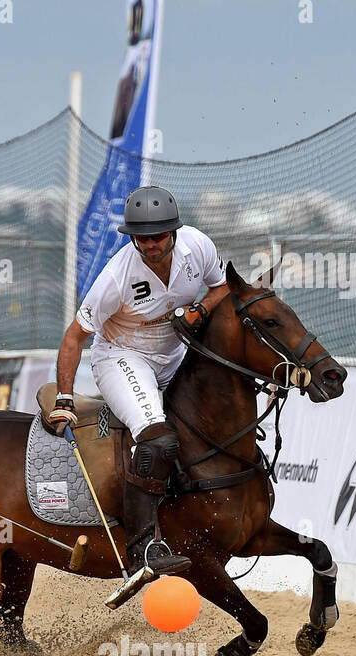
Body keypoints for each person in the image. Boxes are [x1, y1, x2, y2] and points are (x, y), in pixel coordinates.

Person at [47, 185, 229, 579]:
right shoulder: (116, 276)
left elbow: (223, 287)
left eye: (157, 236)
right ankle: (142, 548)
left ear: (174, 232)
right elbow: (74, 337)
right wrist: (64, 396)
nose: (149, 244)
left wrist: (199, 309)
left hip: (176, 351)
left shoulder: (198, 246)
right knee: (158, 439)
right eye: (140, 238)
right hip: (122, 357)